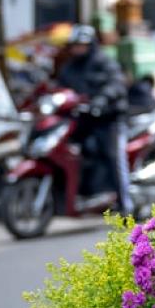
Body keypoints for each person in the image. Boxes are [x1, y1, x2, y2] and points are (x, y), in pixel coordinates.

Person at [56, 24, 130, 212]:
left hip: (108, 119)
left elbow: (117, 84)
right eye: (75, 45)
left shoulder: (104, 62)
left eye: (81, 45)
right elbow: (60, 89)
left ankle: (125, 203)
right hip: (82, 120)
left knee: (113, 157)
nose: (78, 49)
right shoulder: (69, 67)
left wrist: (102, 99)